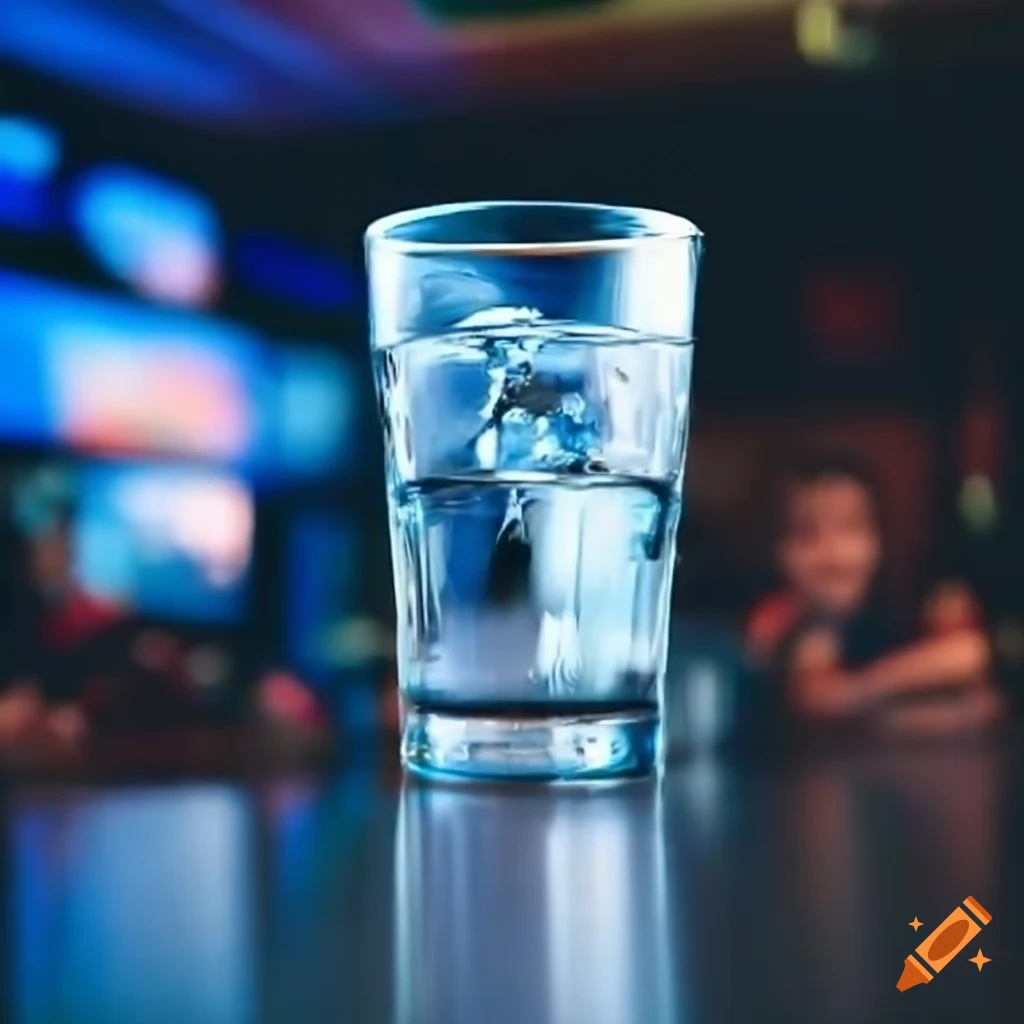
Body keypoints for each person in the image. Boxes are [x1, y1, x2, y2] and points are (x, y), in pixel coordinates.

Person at [746, 454, 1003, 735]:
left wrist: (857, 694)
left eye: (851, 527)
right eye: (807, 534)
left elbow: (969, 656)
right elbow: (814, 699)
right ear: (777, 550)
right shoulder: (777, 619)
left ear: (880, 538)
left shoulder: (916, 599)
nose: (832, 553)